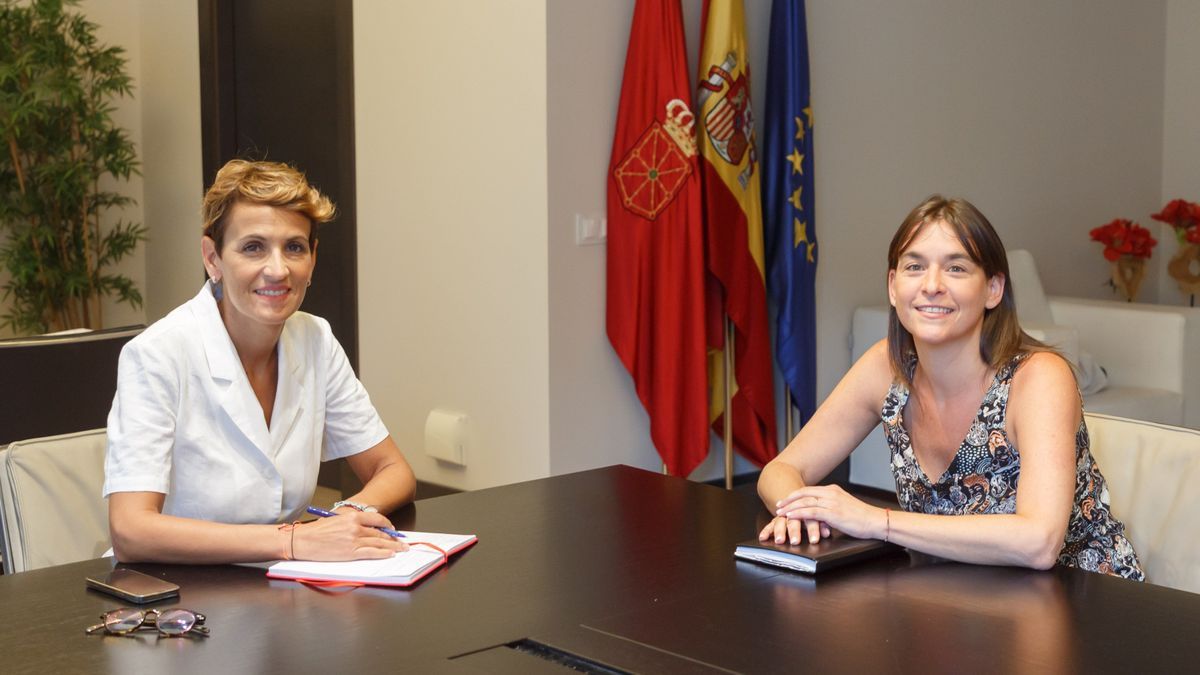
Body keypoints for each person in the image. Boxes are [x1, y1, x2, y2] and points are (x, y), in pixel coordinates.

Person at [757, 195, 1143, 579]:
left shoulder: (1040, 377)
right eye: (914, 266)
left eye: (956, 268)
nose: (931, 285)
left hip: (1083, 604)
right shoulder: (886, 365)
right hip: (959, 600)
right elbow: (781, 469)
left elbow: (1039, 542)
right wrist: (797, 511)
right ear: (893, 287)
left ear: (993, 289)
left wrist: (875, 521)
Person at [105, 159, 416, 564]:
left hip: (279, 581)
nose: (277, 269)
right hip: (174, 594)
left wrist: (343, 520)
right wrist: (292, 541)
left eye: (294, 247)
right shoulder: (157, 354)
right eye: (253, 247)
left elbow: (393, 470)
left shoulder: (315, 339)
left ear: (313, 258)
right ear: (213, 258)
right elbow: (131, 529)